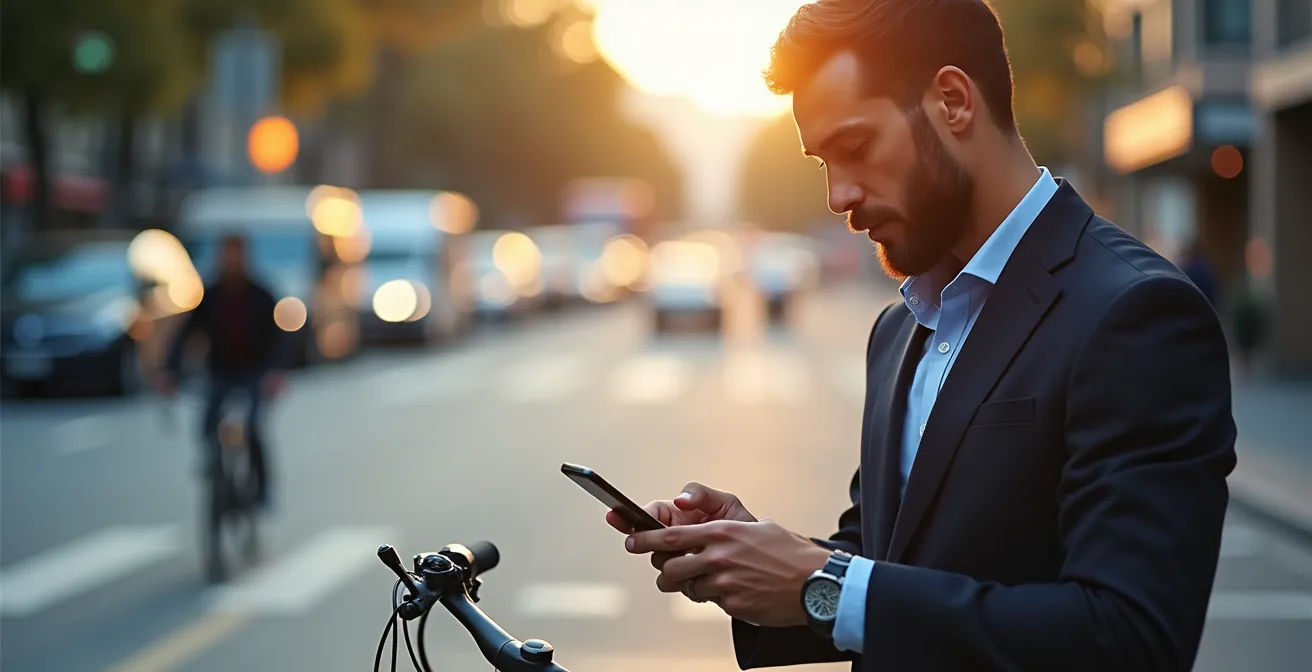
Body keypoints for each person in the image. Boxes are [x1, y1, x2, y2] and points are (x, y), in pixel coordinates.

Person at [607, 1, 1237, 670]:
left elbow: (1132, 638)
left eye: (855, 148)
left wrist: (822, 585)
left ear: (954, 101)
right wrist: (755, 556)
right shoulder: (899, 328)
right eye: (823, 162)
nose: (838, 195)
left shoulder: (1138, 314)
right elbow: (894, 558)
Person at [158, 233, 287, 510]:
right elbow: (186, 333)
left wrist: (275, 372)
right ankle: (214, 466)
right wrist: (170, 370)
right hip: (220, 371)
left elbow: (279, 338)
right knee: (207, 421)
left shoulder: (261, 294)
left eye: (236, 254)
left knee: (252, 427)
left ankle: (262, 489)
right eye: (226, 254)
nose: (231, 261)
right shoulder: (211, 294)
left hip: (255, 371)